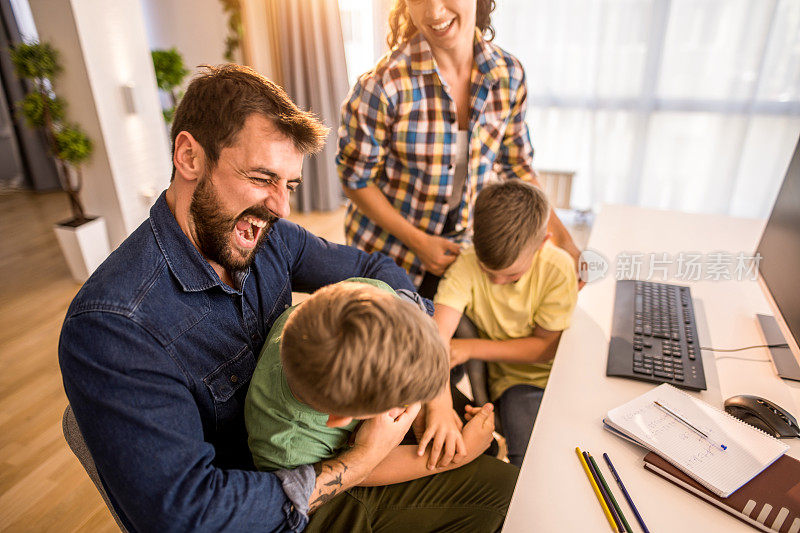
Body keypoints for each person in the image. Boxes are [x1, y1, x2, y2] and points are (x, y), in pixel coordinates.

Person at [59, 64, 517, 532]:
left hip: (333, 434)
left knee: (506, 480)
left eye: (290, 184)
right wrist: (362, 459)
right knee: (505, 500)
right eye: (262, 178)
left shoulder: (263, 234)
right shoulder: (113, 327)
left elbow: (375, 271)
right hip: (273, 505)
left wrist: (432, 392)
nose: (281, 207)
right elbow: (192, 515)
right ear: (189, 157)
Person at [337, 0, 581, 299]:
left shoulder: (509, 75)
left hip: (462, 245)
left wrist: (563, 238)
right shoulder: (380, 87)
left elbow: (517, 167)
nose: (435, 12)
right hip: (388, 249)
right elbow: (356, 181)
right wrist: (419, 241)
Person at [245, 278, 495, 485]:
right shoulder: (288, 450)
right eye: (403, 404)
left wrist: (437, 405)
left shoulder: (370, 297)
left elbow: (424, 329)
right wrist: (454, 458)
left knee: (486, 446)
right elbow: (357, 471)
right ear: (341, 419)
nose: (410, 406)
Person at [433, 181, 579, 466]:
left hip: (562, 375)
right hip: (517, 383)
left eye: (512, 275)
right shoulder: (467, 264)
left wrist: (469, 347)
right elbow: (435, 337)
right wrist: (439, 406)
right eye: (489, 273)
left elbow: (544, 349)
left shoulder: (558, 268)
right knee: (528, 462)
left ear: (543, 242)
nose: (498, 282)